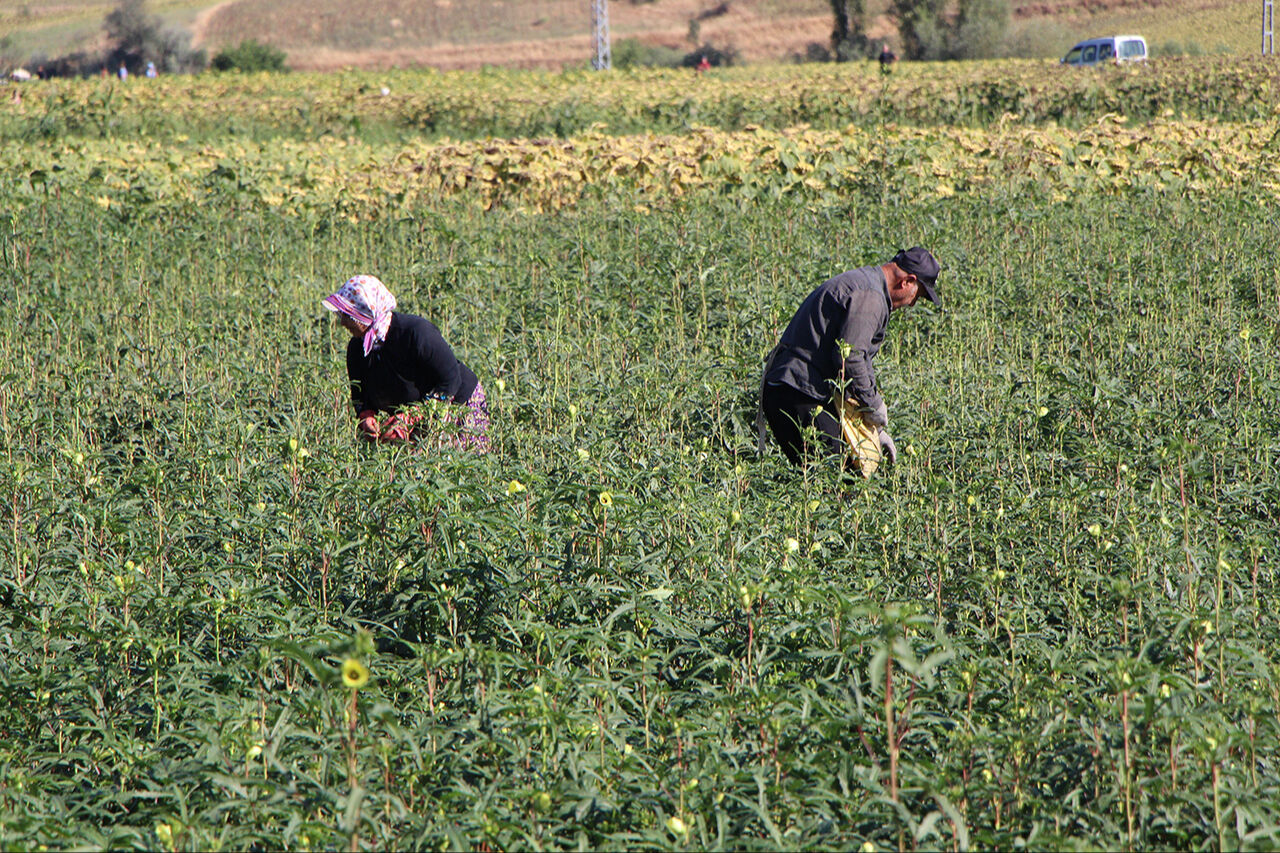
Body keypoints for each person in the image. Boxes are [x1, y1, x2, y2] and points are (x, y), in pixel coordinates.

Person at [759, 247, 940, 469]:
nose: (912, 304)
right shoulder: (870, 298)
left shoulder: (867, 283)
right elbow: (851, 359)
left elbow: (855, 359)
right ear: (907, 282)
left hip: (796, 390)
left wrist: (875, 431)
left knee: (837, 473)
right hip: (796, 392)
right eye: (917, 295)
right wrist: (875, 407)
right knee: (838, 478)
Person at [323, 274, 489, 451]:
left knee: (457, 467)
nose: (342, 322)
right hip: (409, 417)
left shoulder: (416, 333)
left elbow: (450, 380)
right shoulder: (357, 348)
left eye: (347, 315)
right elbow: (360, 394)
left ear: (365, 312)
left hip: (456, 403)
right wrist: (366, 416)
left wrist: (412, 417)